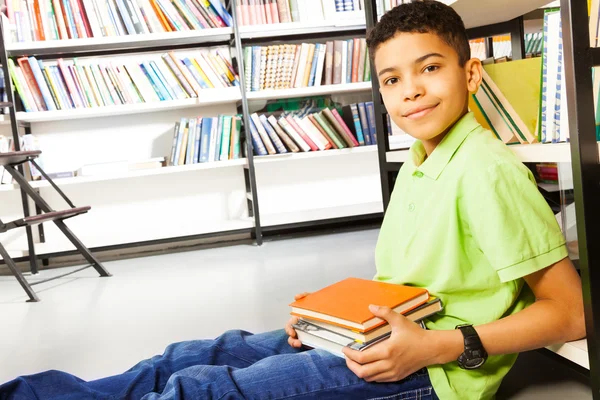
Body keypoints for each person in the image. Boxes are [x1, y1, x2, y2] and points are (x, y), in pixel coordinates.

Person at [0, 1, 586, 399]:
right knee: (198, 354)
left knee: (204, 389)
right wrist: (332, 317)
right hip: (377, 334)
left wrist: (434, 347)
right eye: (391, 79)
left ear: (471, 73)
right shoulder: (421, 158)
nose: (411, 90)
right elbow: (411, 280)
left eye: (429, 68)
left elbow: (569, 311)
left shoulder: (487, 170)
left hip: (431, 369)